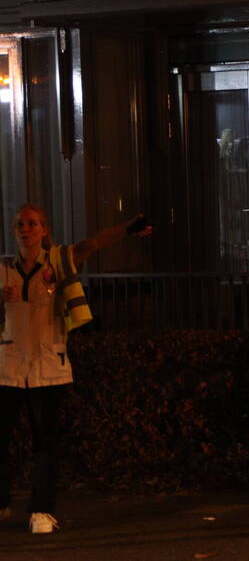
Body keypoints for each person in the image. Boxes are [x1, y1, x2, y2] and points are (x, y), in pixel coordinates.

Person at [0, 205, 151, 534]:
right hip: (8, 366)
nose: (25, 229)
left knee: (46, 442)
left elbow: (92, 243)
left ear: (44, 229)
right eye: (20, 225)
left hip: (48, 365)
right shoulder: (3, 270)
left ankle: (41, 510)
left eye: (32, 224)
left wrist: (128, 227)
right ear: (14, 231)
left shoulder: (57, 261)